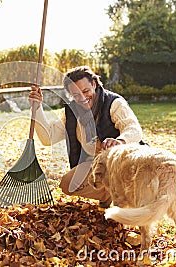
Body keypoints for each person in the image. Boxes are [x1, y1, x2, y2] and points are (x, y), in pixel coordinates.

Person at [28, 66, 144, 208]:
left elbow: (133, 129)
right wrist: (37, 107)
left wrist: (120, 141)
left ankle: (127, 195)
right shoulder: (71, 112)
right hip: (96, 164)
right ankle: (106, 194)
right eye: (76, 95)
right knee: (68, 184)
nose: (82, 98)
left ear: (94, 84)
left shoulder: (113, 103)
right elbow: (48, 138)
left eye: (86, 91)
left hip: (124, 163)